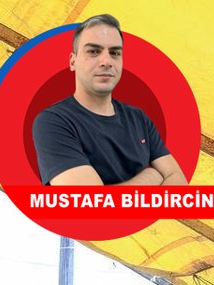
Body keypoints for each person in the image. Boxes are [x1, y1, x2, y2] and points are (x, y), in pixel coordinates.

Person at [31, 14, 185, 186]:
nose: (106, 61)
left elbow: (179, 185)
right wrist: (150, 177)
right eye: (94, 51)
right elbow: (93, 207)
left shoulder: (138, 118)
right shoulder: (53, 122)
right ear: (73, 61)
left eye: (115, 53)